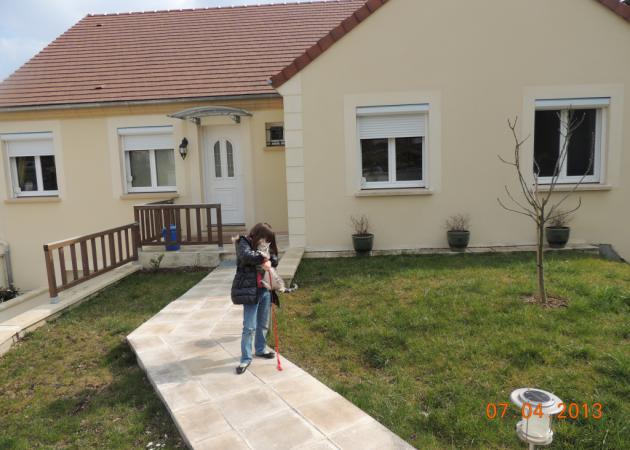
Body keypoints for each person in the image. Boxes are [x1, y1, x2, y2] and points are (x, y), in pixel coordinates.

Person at [230, 223, 279, 374]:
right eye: (265, 238)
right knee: (249, 327)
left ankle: (260, 349)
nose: (266, 242)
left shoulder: (265, 246)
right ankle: (245, 358)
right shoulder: (243, 242)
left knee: (263, 324)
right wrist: (264, 259)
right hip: (251, 290)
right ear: (258, 235)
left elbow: (275, 257)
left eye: (268, 240)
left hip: (265, 289)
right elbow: (246, 256)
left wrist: (270, 261)